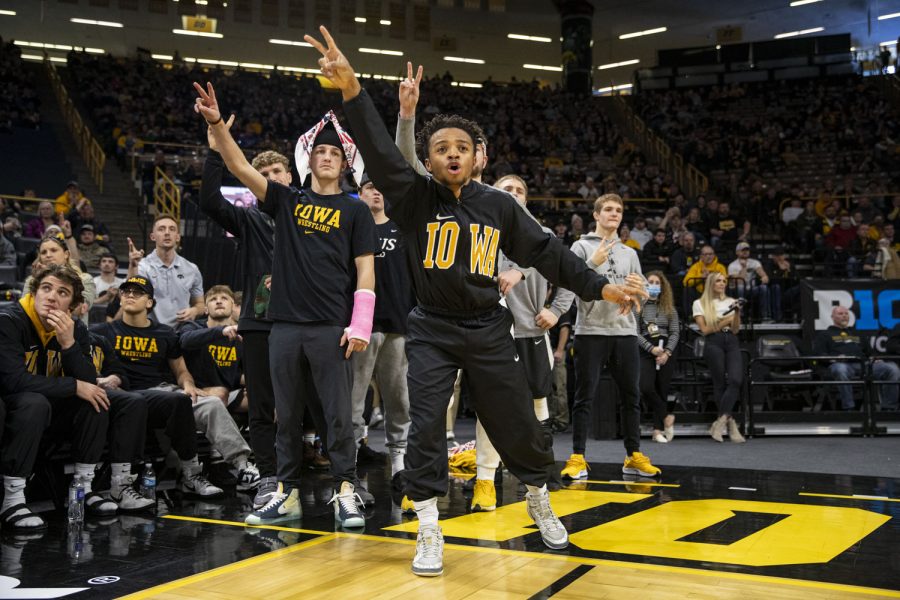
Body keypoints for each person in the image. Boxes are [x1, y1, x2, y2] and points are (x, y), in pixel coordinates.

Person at [307, 36, 646, 577]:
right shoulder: (414, 198)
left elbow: (546, 252)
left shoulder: (499, 206)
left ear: (477, 156)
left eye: (461, 147)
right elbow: (378, 149)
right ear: (431, 158)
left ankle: (538, 497)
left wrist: (598, 287)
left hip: (490, 327)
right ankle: (428, 525)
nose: (452, 154)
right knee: (424, 427)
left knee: (516, 421)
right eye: (440, 148)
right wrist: (352, 89)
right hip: (433, 329)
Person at [195, 77, 375, 530]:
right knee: (286, 415)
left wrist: (361, 325)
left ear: (345, 163)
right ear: (308, 162)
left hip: (331, 325)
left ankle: (346, 490)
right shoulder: (286, 201)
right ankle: (285, 492)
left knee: (336, 416)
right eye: (320, 152)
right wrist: (217, 125)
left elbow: (366, 272)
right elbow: (238, 166)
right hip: (283, 326)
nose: (327, 156)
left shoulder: (356, 210)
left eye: (335, 153)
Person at [0, 264, 149, 531]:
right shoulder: (9, 320)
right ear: (34, 293)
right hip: (11, 406)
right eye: (45, 288)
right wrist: (73, 386)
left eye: (62, 292)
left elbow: (89, 382)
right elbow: (13, 381)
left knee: (96, 398)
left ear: (73, 305)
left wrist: (68, 345)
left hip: (46, 411)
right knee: (34, 402)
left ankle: (82, 488)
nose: (51, 296)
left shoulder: (74, 329)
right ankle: (12, 498)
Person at [92, 276, 255, 497]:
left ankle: (242, 466)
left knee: (211, 404)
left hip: (161, 390)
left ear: (149, 302)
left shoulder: (164, 333)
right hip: (125, 395)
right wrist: (103, 379)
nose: (130, 295)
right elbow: (92, 369)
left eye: (137, 292)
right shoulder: (103, 331)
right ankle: (190, 474)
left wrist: (188, 385)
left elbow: (180, 370)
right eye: (126, 292)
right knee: (176, 402)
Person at [471, 174, 576, 512]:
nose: (513, 194)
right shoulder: (480, 229)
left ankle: (543, 474)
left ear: (527, 199)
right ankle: (485, 480)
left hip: (531, 333)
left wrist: (556, 310)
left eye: (519, 190)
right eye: (506, 189)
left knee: (539, 410)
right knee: (491, 408)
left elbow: (571, 275)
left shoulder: (542, 235)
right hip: (489, 333)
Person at [198, 118, 280, 509]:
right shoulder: (249, 220)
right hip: (261, 325)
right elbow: (210, 202)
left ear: (290, 174)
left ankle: (334, 478)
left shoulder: (311, 215)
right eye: (260, 173)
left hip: (307, 323)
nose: (267, 177)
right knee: (263, 406)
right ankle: (269, 477)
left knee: (313, 405)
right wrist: (216, 153)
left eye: (275, 171)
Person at [562, 193, 660, 483]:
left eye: (618, 210)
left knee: (632, 396)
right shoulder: (580, 247)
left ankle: (633, 456)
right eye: (608, 209)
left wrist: (638, 287)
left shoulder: (630, 253)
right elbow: (571, 285)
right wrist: (592, 263)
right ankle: (578, 457)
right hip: (590, 330)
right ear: (596, 215)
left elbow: (644, 295)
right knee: (584, 397)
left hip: (625, 331)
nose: (614, 214)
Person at [350, 174, 413, 484]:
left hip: (397, 323)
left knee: (398, 396)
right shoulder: (350, 228)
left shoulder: (401, 229)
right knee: (354, 397)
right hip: (360, 326)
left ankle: (399, 462)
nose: (375, 192)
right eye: (369, 187)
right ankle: (349, 460)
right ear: (359, 193)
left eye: (379, 187)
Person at [693, 273, 746, 443]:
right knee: (720, 383)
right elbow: (705, 330)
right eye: (718, 280)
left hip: (731, 340)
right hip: (713, 342)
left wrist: (736, 313)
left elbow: (736, 329)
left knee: (736, 380)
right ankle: (731, 424)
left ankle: (720, 422)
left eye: (724, 281)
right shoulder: (699, 303)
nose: (722, 283)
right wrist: (727, 319)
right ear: (711, 283)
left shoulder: (731, 301)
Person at [815, 306, 900, 411]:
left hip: (863, 365)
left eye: (846, 314)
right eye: (840, 314)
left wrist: (874, 358)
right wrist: (835, 358)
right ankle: (849, 408)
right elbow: (820, 355)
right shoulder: (824, 334)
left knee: (891, 368)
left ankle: (889, 407)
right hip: (841, 365)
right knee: (840, 369)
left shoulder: (857, 333)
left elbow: (870, 353)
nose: (844, 316)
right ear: (832, 317)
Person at [127, 216, 205, 328]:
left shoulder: (192, 269)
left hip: (180, 334)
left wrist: (194, 311)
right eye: (161, 229)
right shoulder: (142, 266)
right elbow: (130, 295)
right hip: (149, 332)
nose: (167, 233)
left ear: (178, 237)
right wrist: (133, 266)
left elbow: (200, 304)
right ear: (152, 236)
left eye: (172, 229)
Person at [177, 286, 245, 410]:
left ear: (233, 306)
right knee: (220, 393)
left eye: (224, 298)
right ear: (206, 310)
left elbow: (240, 372)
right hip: (198, 390)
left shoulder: (240, 334)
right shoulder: (192, 327)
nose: (219, 301)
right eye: (213, 299)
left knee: (265, 398)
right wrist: (221, 331)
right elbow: (185, 341)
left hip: (230, 392)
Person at [636, 271, 679, 443]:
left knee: (662, 389)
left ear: (662, 287)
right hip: (647, 349)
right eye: (650, 282)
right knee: (645, 386)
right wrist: (651, 349)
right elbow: (635, 331)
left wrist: (667, 352)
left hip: (666, 351)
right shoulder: (638, 306)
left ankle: (657, 430)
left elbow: (675, 332)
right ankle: (667, 417)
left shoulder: (669, 308)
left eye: (656, 282)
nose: (653, 285)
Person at [26, 234, 96, 324]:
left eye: (53, 250)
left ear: (66, 254)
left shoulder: (85, 279)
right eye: (43, 252)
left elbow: (78, 310)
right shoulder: (31, 280)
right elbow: (26, 309)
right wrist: (38, 280)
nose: (48, 255)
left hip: (73, 333)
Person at [727, 242, 772, 322]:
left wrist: (764, 277)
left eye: (747, 250)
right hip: (737, 291)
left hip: (751, 290)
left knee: (763, 288)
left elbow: (764, 275)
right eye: (742, 250)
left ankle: (765, 316)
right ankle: (740, 314)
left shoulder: (754, 262)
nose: (745, 252)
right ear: (737, 252)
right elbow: (740, 281)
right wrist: (744, 268)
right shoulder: (732, 265)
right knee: (740, 287)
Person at [682, 244, 726, 316]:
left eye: (710, 254)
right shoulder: (696, 266)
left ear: (714, 255)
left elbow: (725, 281)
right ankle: (691, 316)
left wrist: (711, 278)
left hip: (714, 292)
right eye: (705, 254)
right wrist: (701, 277)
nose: (708, 256)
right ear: (701, 256)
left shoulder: (720, 267)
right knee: (687, 290)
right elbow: (686, 282)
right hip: (699, 292)